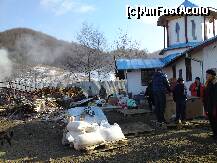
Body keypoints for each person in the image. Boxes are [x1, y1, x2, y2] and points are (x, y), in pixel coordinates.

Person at [203, 69, 217, 139]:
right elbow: (206, 95)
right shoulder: (208, 83)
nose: (206, 76)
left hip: (214, 106)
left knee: (215, 121)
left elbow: (215, 96)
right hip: (209, 105)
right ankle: (215, 134)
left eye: (207, 74)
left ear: (211, 75)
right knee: (212, 121)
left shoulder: (215, 83)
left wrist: (215, 108)